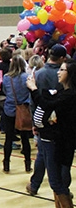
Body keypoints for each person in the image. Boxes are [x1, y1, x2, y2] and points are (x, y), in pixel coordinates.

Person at [27, 59, 76, 208]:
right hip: (50, 139)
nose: (58, 72)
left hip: (61, 142)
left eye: (62, 70)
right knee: (55, 179)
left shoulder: (70, 95)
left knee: (57, 181)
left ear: (70, 74)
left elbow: (47, 105)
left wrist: (33, 89)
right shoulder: (63, 91)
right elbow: (47, 101)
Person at [28, 44, 66, 195]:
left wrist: (34, 122)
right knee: (59, 156)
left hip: (42, 118)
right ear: (62, 58)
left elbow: (32, 100)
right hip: (61, 119)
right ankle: (61, 189)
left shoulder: (38, 73)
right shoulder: (66, 73)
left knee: (43, 153)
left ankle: (35, 184)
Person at [1, 55, 32, 173]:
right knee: (25, 139)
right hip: (23, 109)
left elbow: (5, 90)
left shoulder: (6, 77)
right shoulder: (26, 77)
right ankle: (28, 164)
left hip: (9, 109)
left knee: (8, 138)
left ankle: (6, 164)